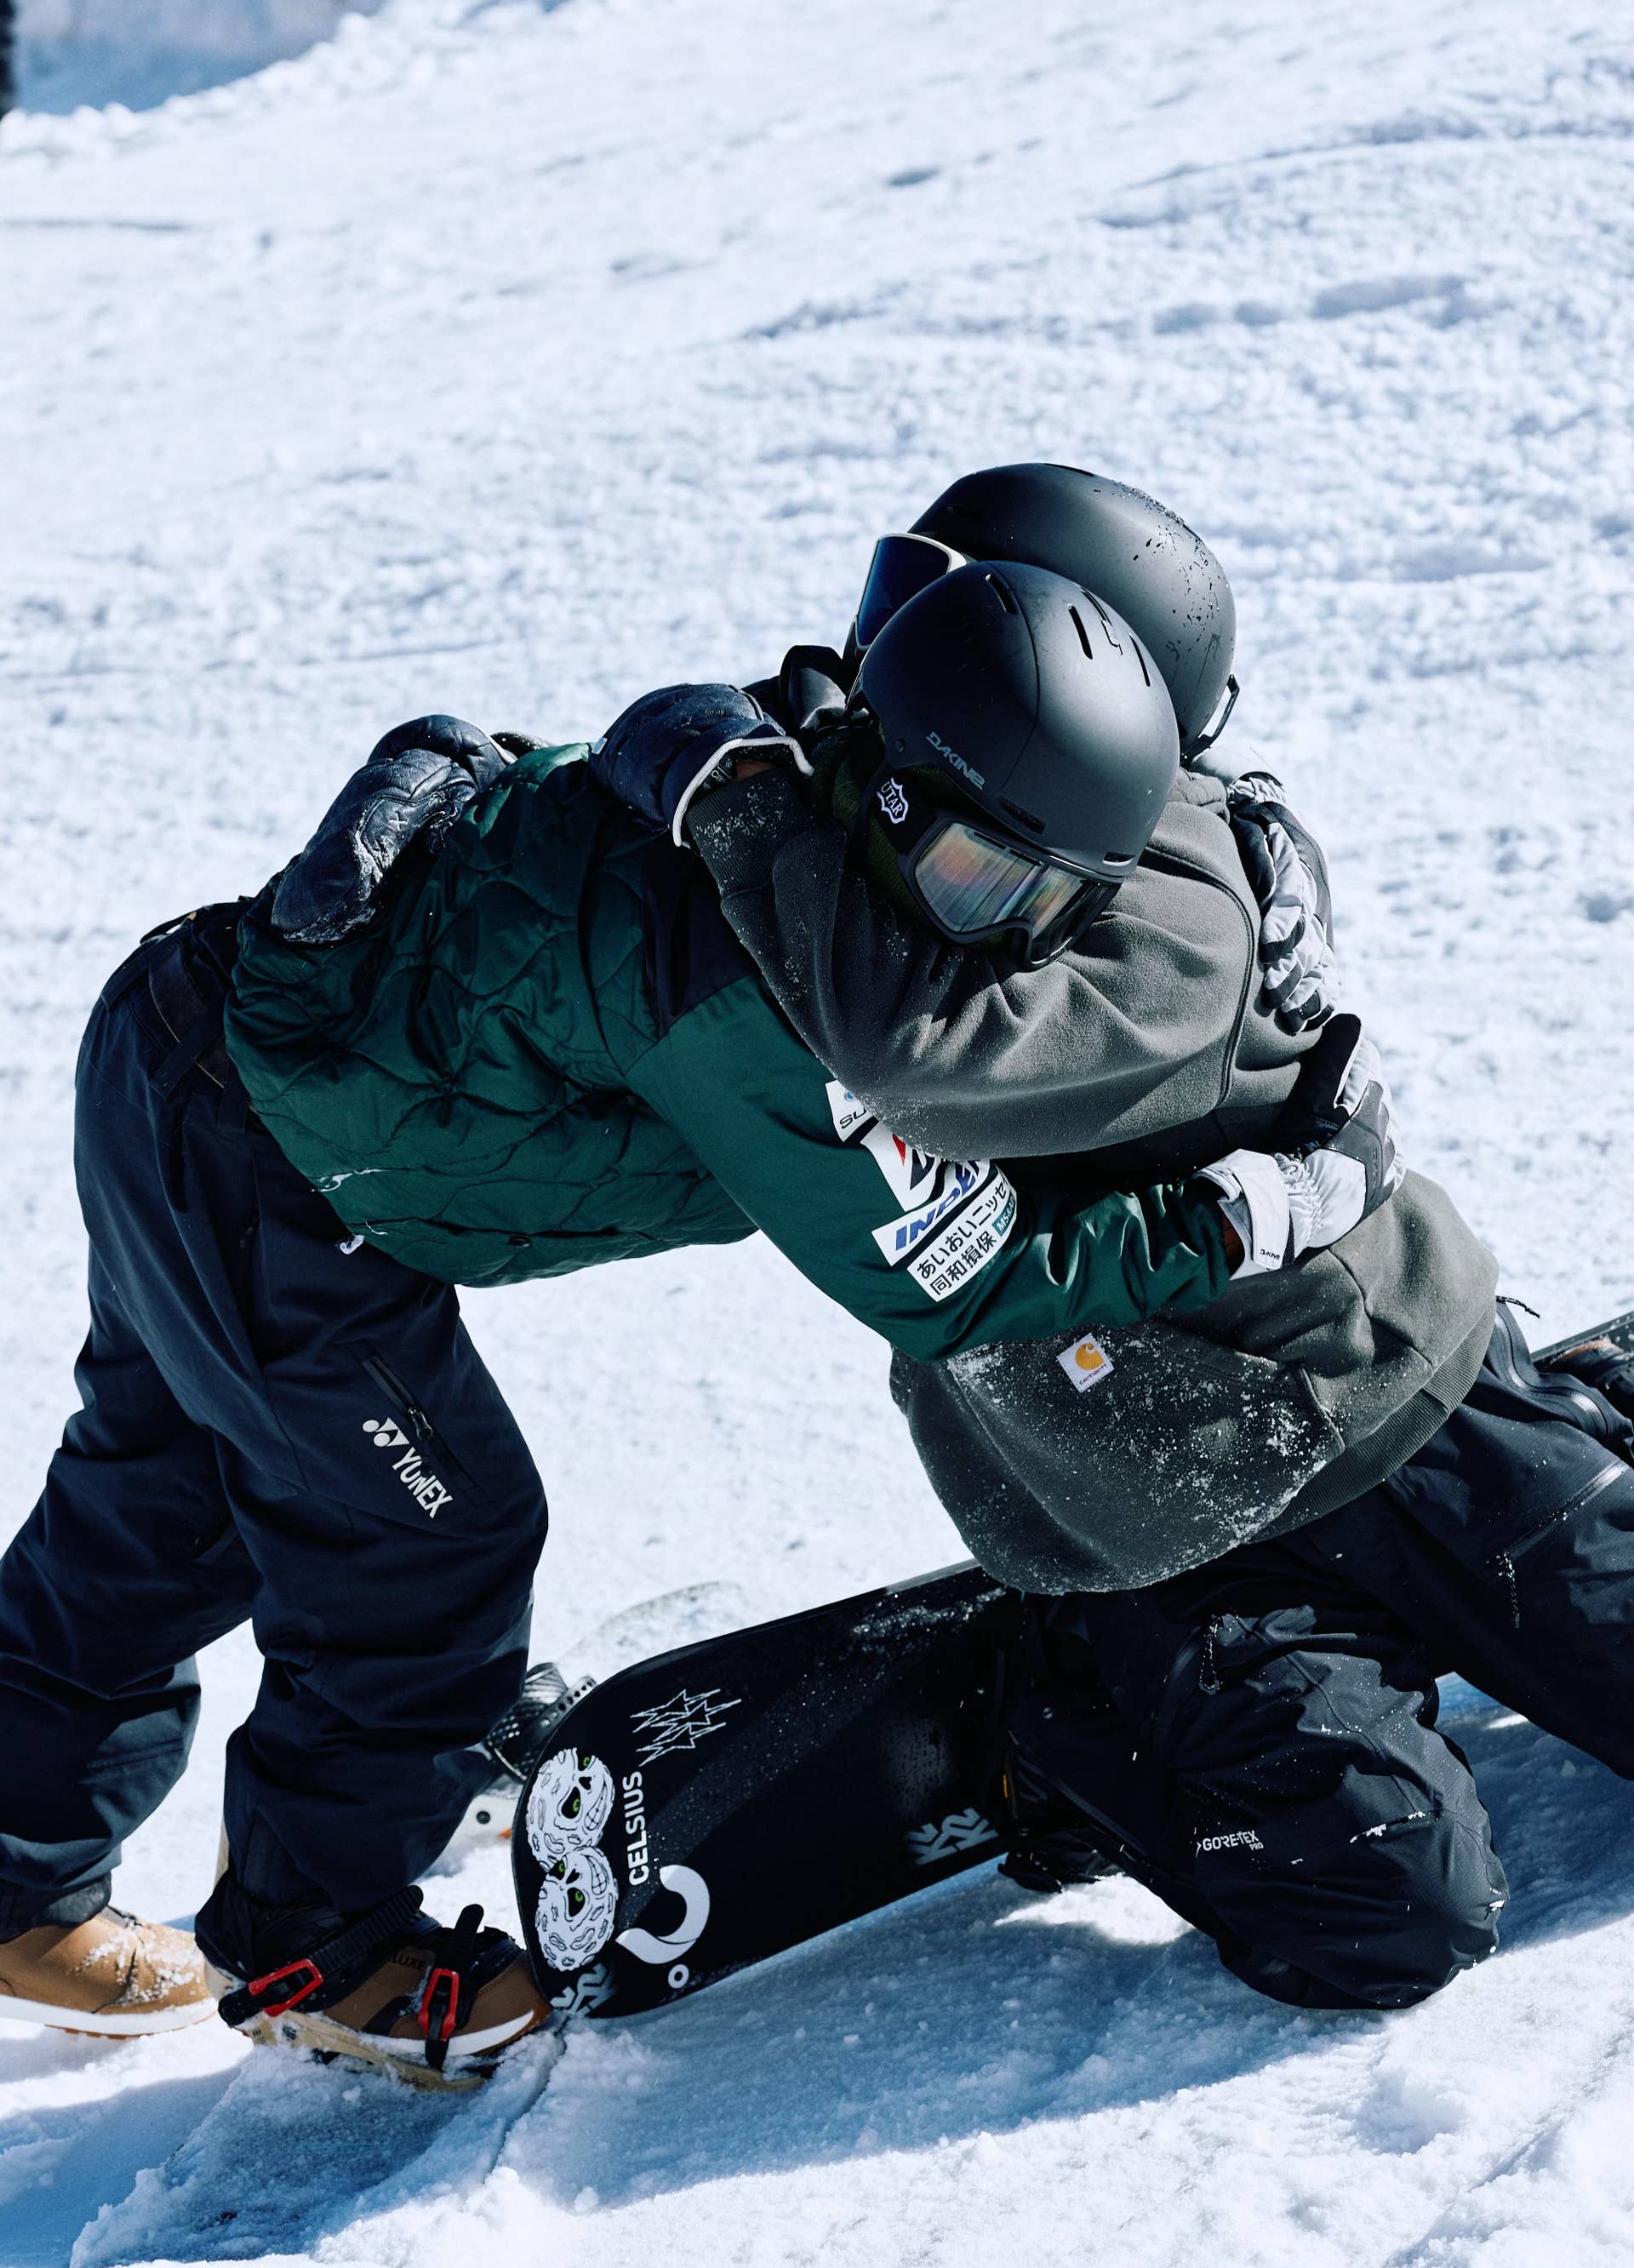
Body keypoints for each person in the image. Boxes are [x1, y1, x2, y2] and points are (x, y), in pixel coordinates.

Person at [0, 557, 1395, 2082]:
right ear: (899, 792)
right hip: (266, 1175)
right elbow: (959, 1282)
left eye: (1060, 898)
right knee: (423, 1546)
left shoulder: (780, 794)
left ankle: (8, 1876)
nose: (1014, 938)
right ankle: (315, 1951)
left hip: (186, 1068)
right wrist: (1257, 1211)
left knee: (165, 1500)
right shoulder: (754, 1003)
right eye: (991, 884)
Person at [607, 461, 1634, 2013]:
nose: (875, 650)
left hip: (1392, 1404)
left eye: (933, 619)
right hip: (1147, 1507)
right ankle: (1074, 1699)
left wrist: (738, 798)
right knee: (1380, 1919)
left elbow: (922, 1057)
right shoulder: (956, 828)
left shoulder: (1177, 916)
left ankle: (1573, 1435)